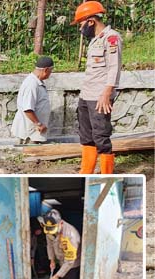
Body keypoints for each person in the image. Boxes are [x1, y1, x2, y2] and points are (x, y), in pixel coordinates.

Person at [72, 1, 122, 174]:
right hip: (86, 95)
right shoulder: (94, 40)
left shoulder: (111, 38)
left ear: (91, 21)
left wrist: (106, 94)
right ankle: (86, 173)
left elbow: (114, 67)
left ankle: (106, 177)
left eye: (81, 24)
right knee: (86, 137)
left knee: (101, 137)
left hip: (100, 97)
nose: (80, 29)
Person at [39, 209, 81, 279]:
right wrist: (51, 260)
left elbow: (69, 261)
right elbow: (50, 245)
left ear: (61, 223)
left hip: (72, 263)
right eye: (49, 230)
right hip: (61, 259)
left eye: (53, 229)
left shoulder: (71, 235)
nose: (50, 232)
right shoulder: (50, 229)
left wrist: (55, 277)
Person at [11, 56, 53, 144]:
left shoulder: (36, 82)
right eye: (50, 71)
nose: (50, 74)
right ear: (45, 70)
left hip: (33, 132)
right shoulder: (32, 84)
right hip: (29, 133)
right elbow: (27, 109)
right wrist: (38, 124)